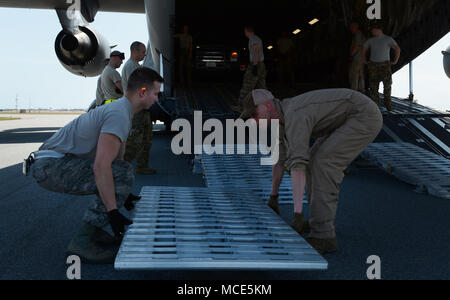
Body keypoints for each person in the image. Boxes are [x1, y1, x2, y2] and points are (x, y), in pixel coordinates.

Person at [27, 68, 164, 264]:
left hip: (53, 162)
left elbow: (118, 158)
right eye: (156, 93)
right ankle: (83, 241)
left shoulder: (122, 110)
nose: (157, 99)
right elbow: (102, 166)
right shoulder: (119, 114)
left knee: (121, 172)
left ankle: (95, 232)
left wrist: (122, 193)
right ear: (142, 92)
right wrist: (113, 211)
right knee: (120, 174)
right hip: (50, 167)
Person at [240, 88, 383, 254]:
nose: (253, 121)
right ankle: (318, 221)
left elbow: (298, 165)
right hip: (345, 118)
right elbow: (279, 161)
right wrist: (273, 196)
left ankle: (324, 236)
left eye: (254, 115)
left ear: (267, 107)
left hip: (363, 116)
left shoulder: (295, 115)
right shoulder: (279, 122)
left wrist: (297, 214)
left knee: (324, 163)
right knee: (314, 161)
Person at [121, 42, 156, 175]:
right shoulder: (131, 66)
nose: (144, 54)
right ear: (135, 51)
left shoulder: (136, 67)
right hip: (136, 108)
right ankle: (121, 167)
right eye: (142, 52)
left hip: (143, 108)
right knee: (134, 140)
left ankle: (142, 166)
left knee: (146, 139)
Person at [362, 22, 401, 111]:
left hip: (384, 65)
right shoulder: (371, 40)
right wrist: (365, 60)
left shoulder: (388, 39)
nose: (371, 32)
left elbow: (397, 49)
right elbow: (364, 48)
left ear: (378, 30)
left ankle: (387, 103)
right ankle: (376, 106)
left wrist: (395, 60)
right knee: (373, 86)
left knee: (387, 85)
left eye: (372, 30)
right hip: (373, 65)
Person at [237, 25, 267, 111]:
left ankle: (241, 107)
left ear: (247, 31)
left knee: (247, 85)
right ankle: (269, 105)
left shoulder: (253, 39)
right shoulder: (255, 38)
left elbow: (256, 51)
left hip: (256, 63)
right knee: (262, 87)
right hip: (260, 64)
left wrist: (254, 65)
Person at [174, 25, 193, 90]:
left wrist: (190, 53)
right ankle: (182, 83)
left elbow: (190, 45)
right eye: (184, 28)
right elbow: (173, 35)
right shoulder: (180, 35)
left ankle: (189, 83)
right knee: (180, 67)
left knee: (188, 68)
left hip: (187, 51)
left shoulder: (189, 36)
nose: (185, 29)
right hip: (181, 51)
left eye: (186, 28)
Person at [349, 23, 366, 93]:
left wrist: (351, 55)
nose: (350, 30)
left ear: (355, 27)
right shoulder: (361, 34)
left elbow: (357, 46)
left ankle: (354, 91)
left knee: (355, 74)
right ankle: (361, 89)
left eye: (351, 28)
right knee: (360, 74)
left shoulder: (358, 34)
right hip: (361, 58)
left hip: (357, 58)